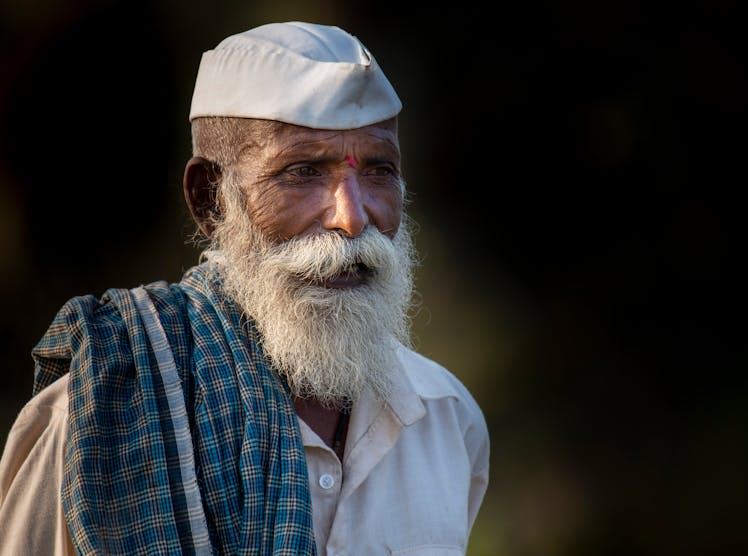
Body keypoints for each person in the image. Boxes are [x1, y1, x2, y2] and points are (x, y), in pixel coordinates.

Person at [0, 21, 490, 555]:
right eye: (302, 171)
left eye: (378, 171)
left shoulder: (446, 420)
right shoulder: (96, 419)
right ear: (211, 199)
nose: (352, 217)